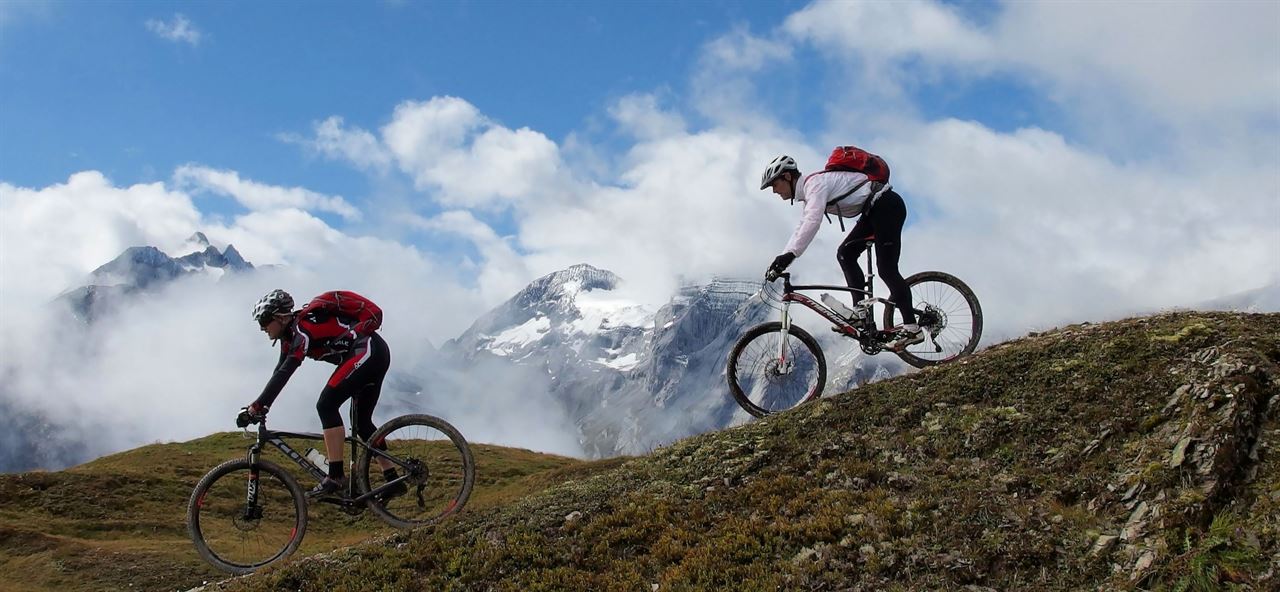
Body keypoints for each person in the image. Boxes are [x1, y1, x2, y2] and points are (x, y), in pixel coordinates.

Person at [239, 289, 405, 498]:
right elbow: (279, 372)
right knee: (362, 423)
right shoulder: (289, 339)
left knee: (326, 404)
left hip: (367, 351)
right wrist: (261, 405)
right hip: (374, 353)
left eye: (264, 320)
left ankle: (335, 476)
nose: (262, 328)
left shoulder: (301, 330)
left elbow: (287, 370)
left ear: (280, 317)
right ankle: (393, 479)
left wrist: (257, 406)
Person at [760, 154, 925, 351]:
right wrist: (783, 256)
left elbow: (812, 222)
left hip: (886, 206)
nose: (774, 191)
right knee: (845, 254)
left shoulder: (815, 185)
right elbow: (802, 226)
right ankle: (860, 314)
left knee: (887, 270)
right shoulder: (810, 193)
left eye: (774, 184)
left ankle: (912, 328)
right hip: (873, 210)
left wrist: (789, 256)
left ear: (787, 177)